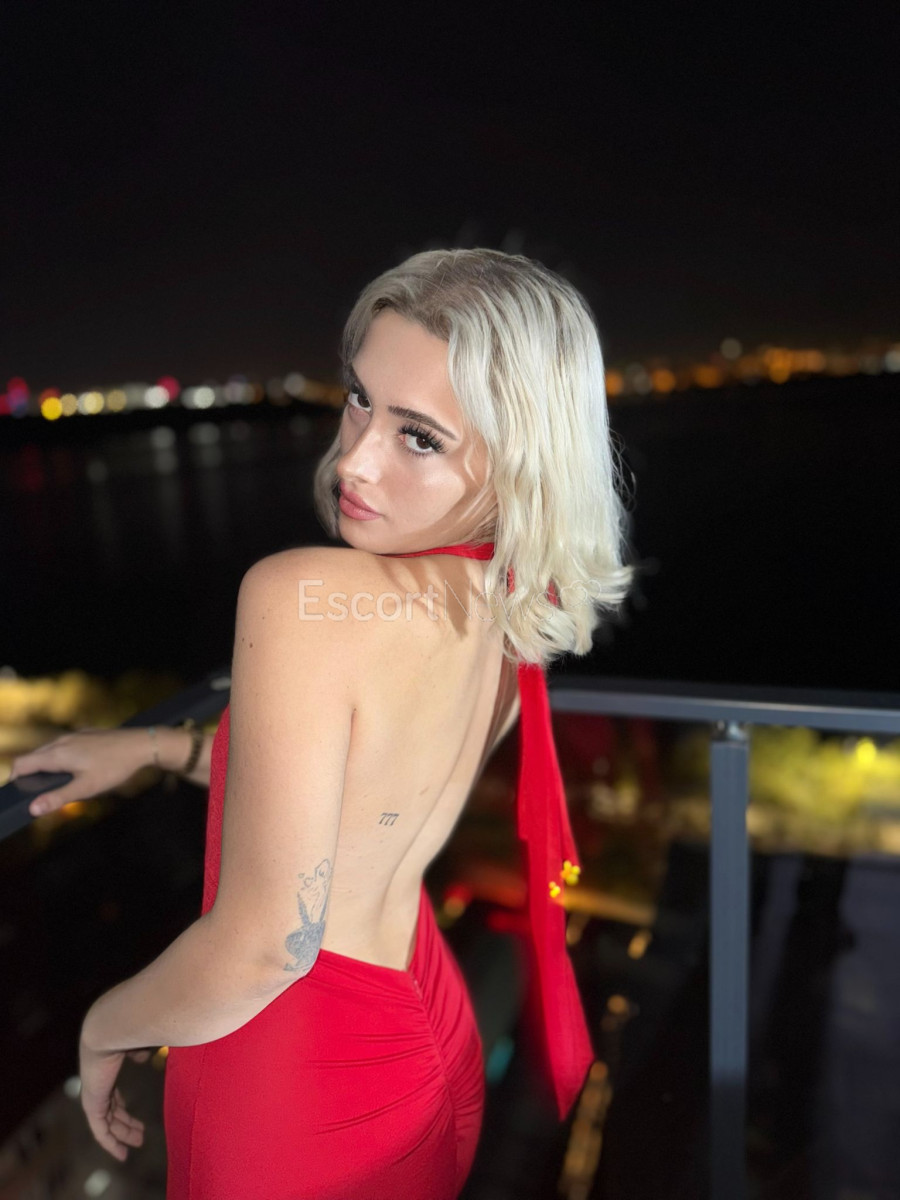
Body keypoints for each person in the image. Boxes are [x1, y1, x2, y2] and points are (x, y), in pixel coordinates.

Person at [9, 248, 635, 1198]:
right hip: (433, 1033)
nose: (355, 457)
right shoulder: (509, 603)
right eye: (359, 400)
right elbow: (349, 794)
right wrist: (159, 747)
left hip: (299, 1085)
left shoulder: (300, 597)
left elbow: (268, 947)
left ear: (520, 464)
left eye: (418, 437)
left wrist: (104, 1029)